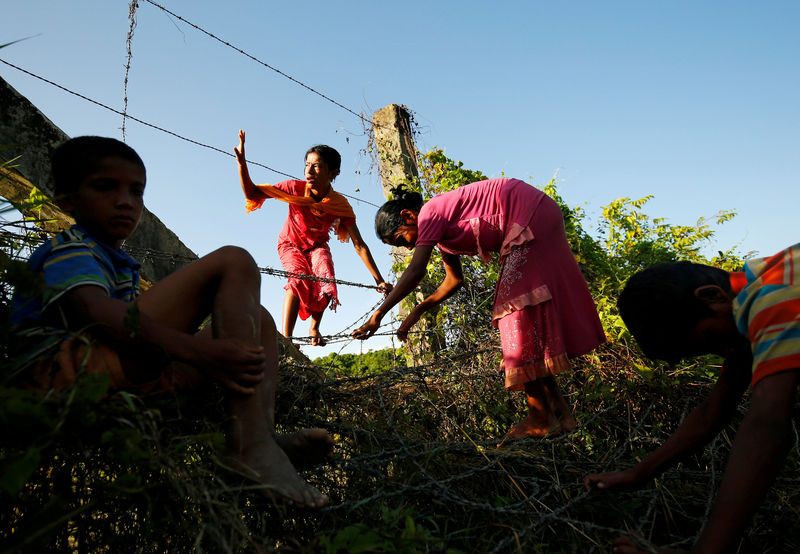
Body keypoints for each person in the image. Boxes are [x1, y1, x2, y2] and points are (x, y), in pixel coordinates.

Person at [10, 136, 332, 508]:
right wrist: (198, 351)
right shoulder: (71, 247)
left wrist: (204, 351)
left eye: (136, 192)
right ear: (67, 201)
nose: (125, 201)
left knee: (258, 318)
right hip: (60, 381)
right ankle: (252, 446)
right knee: (234, 260)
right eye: (105, 187)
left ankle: (258, 433)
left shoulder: (119, 264)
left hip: (119, 389)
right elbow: (97, 315)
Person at [352, 179, 606, 440]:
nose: (407, 248)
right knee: (524, 314)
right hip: (537, 214)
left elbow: (416, 271)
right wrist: (418, 311)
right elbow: (454, 281)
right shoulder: (441, 236)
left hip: (528, 214)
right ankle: (561, 416)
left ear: (407, 215)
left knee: (512, 312)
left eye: (401, 239)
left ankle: (540, 417)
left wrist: (377, 317)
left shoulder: (430, 212)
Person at [583, 248, 800, 553]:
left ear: (712, 295)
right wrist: (638, 474)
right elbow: (714, 410)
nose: (726, 354)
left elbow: (767, 425)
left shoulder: (772, 298)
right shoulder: (753, 293)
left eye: (713, 342)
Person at [234, 130, 391, 346]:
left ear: (333, 173)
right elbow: (252, 194)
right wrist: (242, 164)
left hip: (317, 246)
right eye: (307, 164)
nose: (309, 170)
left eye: (316, 166)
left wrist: (379, 280)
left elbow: (359, 245)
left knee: (326, 278)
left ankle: (314, 328)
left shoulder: (339, 205)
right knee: (298, 279)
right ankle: (286, 341)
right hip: (290, 244)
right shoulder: (294, 189)